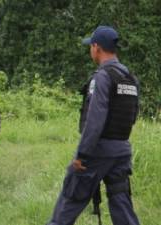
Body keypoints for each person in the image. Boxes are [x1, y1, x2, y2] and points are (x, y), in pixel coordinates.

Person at [47, 26, 140, 225]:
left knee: (69, 202)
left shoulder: (103, 77)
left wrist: (82, 155)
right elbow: (132, 117)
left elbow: (94, 120)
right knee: (122, 204)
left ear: (96, 47)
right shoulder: (131, 78)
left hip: (98, 151)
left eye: (91, 46)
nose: (90, 50)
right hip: (122, 150)